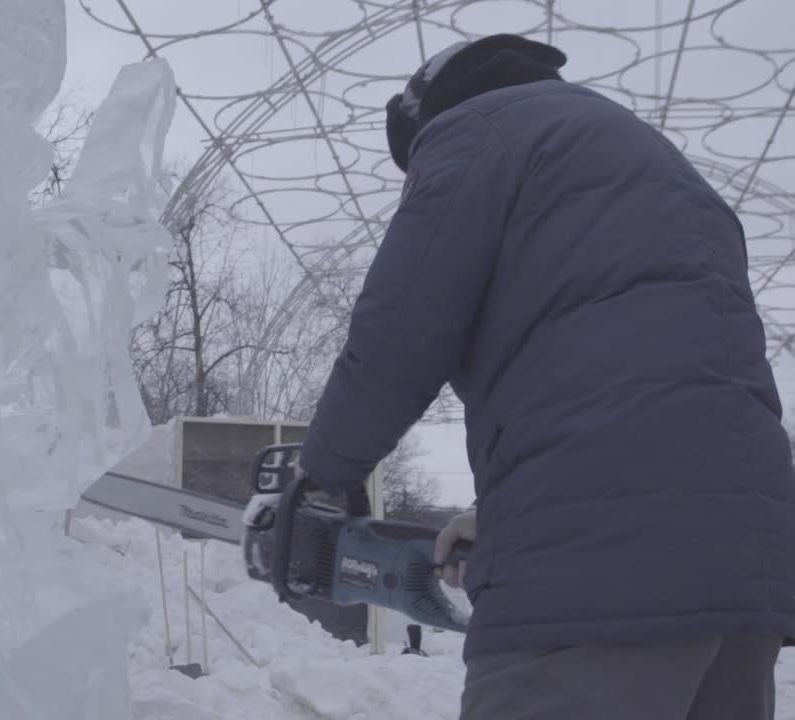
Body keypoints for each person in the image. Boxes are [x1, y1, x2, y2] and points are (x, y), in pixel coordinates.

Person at [297, 33, 795, 720]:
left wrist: (319, 474)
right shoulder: (667, 175)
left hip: (592, 593)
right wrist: (501, 517)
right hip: (745, 571)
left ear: (428, 115)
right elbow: (658, 390)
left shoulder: (475, 133)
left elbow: (397, 334)